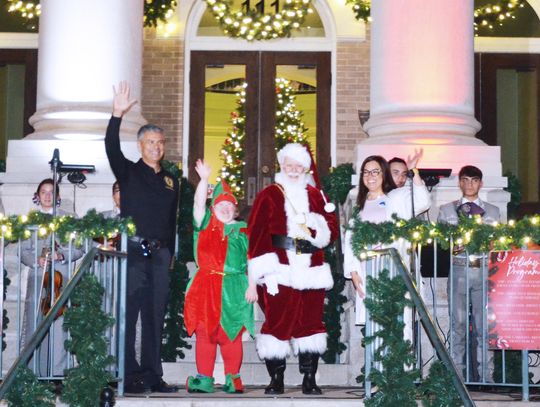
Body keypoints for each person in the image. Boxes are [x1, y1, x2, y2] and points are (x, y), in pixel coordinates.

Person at [105, 81, 179, 394]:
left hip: (161, 256)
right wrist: (116, 115)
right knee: (129, 314)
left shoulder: (171, 180)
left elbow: (173, 221)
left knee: (154, 316)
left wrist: (172, 254)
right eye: (150, 142)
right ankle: (127, 375)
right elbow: (110, 146)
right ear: (140, 146)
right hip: (133, 253)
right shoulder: (127, 172)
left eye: (160, 142)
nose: (156, 147)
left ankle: (152, 375)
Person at [247, 143, 339, 395]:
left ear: (306, 168)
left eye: (299, 166)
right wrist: (264, 271)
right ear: (282, 165)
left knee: (310, 324)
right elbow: (256, 233)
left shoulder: (315, 196)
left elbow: (330, 231)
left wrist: (315, 225)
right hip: (280, 269)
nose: (294, 170)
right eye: (289, 165)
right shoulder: (269, 194)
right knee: (277, 324)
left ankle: (309, 378)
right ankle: (276, 379)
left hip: (312, 269)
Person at [184, 159, 255, 394]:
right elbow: (197, 205)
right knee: (205, 334)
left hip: (235, 287)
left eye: (229, 205)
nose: (224, 208)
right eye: (219, 204)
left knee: (231, 334)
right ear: (212, 208)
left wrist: (253, 285)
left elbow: (253, 260)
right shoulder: (204, 224)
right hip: (206, 286)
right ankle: (204, 378)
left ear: (235, 209)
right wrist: (204, 179)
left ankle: (232, 378)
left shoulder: (243, 230)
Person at [343, 155, 430, 325]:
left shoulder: (397, 198)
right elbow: (351, 242)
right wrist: (353, 272)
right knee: (374, 327)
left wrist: (415, 172)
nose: (370, 176)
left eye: (375, 172)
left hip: (393, 271)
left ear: (383, 175)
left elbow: (423, 201)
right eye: (366, 172)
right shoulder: (359, 208)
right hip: (368, 272)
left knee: (399, 327)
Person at [438, 165, 500, 382]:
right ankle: (457, 375)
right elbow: (440, 242)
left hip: (483, 269)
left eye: (474, 180)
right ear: (460, 183)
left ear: (480, 183)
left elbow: (498, 241)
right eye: (465, 179)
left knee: (484, 325)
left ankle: (486, 377)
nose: (470, 184)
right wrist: (452, 242)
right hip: (458, 269)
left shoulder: (493, 211)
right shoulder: (447, 210)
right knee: (458, 324)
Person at [20, 178, 84, 376]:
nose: (47, 196)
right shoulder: (30, 221)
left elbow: (79, 248)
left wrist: (62, 255)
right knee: (34, 323)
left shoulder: (68, 219)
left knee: (58, 325)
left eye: (51, 192)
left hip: (60, 278)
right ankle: (34, 372)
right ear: (37, 196)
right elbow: (23, 251)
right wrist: (35, 260)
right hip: (38, 278)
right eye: (43, 192)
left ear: (57, 196)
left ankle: (57, 372)